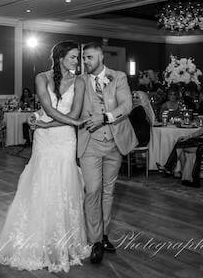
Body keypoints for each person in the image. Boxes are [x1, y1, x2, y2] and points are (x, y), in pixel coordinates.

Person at [0, 41, 91, 272]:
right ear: (60, 58)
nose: (78, 62)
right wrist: (59, 123)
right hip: (46, 142)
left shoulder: (79, 81)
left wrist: (46, 126)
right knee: (41, 183)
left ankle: (65, 242)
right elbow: (47, 109)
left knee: (65, 184)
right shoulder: (42, 78)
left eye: (79, 57)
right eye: (74, 57)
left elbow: (75, 113)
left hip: (65, 138)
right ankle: (38, 239)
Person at [77, 42, 137, 264]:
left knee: (108, 191)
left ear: (101, 58)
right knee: (93, 190)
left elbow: (127, 105)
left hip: (114, 142)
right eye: (84, 58)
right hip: (89, 144)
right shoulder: (81, 80)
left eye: (89, 57)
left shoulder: (118, 77)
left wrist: (104, 117)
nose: (85, 62)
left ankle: (103, 236)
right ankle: (94, 241)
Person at [158, 95, 203, 187]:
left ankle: (169, 168)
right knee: (181, 142)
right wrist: (188, 137)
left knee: (180, 145)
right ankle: (176, 172)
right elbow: (202, 131)